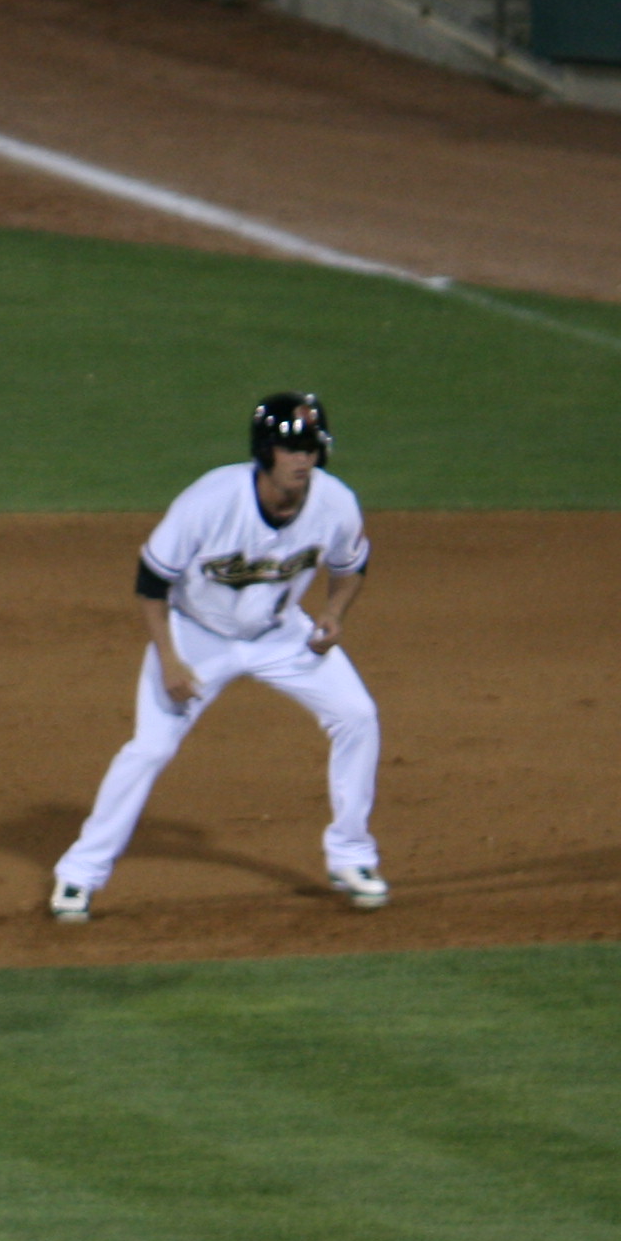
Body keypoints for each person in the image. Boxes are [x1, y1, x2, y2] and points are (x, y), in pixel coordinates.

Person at [49, 392, 386, 923]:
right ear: (266, 451)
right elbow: (151, 582)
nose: (303, 459)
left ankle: (351, 855)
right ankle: (79, 874)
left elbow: (351, 565)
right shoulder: (211, 500)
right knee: (150, 748)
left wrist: (333, 612)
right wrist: (169, 658)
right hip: (195, 636)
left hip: (281, 634)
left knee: (358, 716)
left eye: (311, 448)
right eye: (292, 449)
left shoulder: (335, 502)